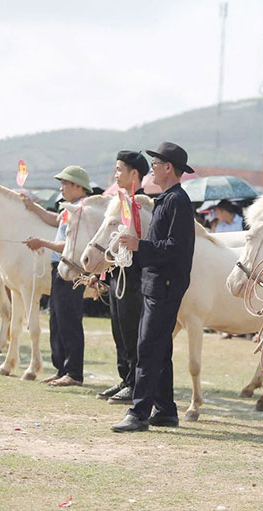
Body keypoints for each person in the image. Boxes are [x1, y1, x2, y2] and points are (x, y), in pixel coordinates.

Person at [112, 141, 195, 432]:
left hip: (165, 284)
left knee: (147, 348)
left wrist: (139, 246)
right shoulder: (168, 199)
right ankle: (165, 409)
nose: (153, 170)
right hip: (156, 282)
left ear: (169, 168)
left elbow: (174, 248)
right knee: (160, 348)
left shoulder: (177, 202)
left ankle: (139, 412)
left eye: (157, 164)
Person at [22, 166, 91, 386]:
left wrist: (42, 242)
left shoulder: (83, 210)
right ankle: (61, 368)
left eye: (65, 184)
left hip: (72, 270)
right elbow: (55, 220)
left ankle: (74, 372)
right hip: (60, 269)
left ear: (78, 187)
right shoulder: (69, 209)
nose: (61, 187)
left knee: (69, 320)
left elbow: (71, 244)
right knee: (57, 320)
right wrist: (33, 207)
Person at [97, 151, 149, 404]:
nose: (115, 174)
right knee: (119, 330)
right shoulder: (120, 202)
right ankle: (126, 378)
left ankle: (136, 382)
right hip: (118, 273)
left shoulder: (144, 205)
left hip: (135, 277)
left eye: (119, 170)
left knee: (132, 332)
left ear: (134, 174)